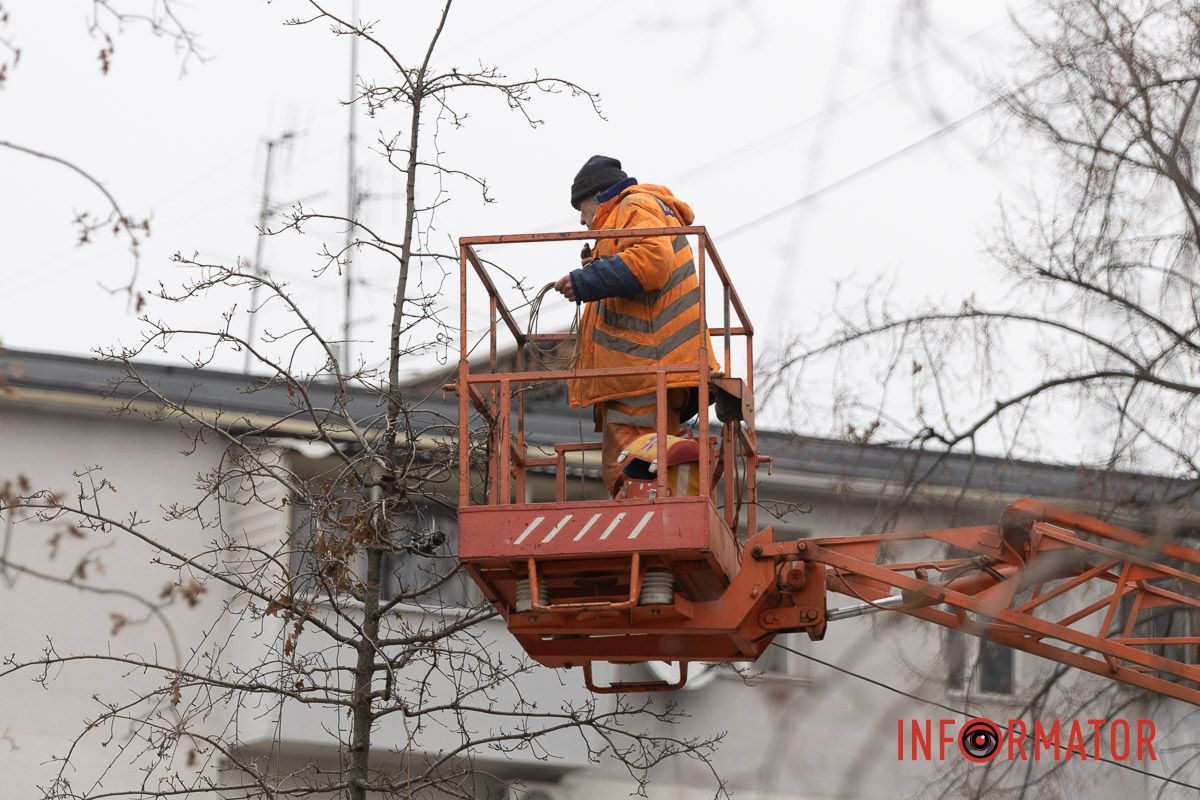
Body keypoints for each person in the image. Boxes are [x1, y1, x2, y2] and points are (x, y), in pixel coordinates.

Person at [553, 155, 718, 495]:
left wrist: (585, 280)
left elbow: (652, 261)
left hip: (641, 369)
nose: (583, 223)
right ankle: (678, 492)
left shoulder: (633, 205)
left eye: (581, 210)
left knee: (631, 470)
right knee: (651, 466)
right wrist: (596, 271)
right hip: (648, 365)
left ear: (595, 196)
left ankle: (658, 509)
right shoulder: (634, 213)